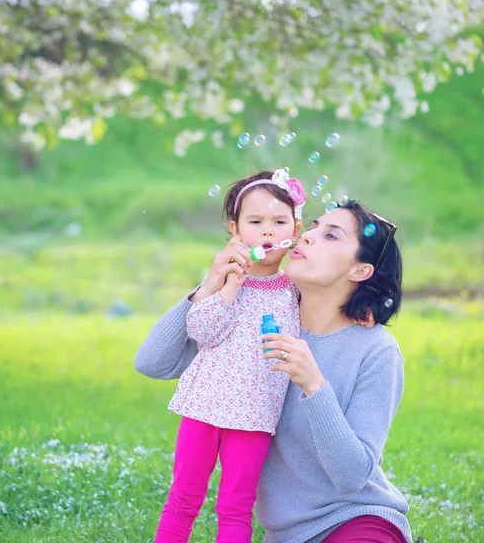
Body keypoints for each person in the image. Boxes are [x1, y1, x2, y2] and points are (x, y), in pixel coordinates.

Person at [135, 196, 414, 543]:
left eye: (331, 236)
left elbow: (351, 477)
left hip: (357, 521)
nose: (309, 237)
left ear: (359, 270)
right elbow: (151, 362)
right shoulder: (255, 318)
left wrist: (314, 383)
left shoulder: (376, 351)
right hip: (285, 536)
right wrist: (209, 288)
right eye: (312, 228)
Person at [153, 168, 309, 542]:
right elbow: (202, 331)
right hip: (203, 408)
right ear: (236, 231)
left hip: (254, 416)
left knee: (237, 506)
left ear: (296, 231)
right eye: (255, 222)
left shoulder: (296, 289)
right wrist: (227, 288)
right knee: (183, 498)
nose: (267, 231)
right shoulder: (226, 277)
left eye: (278, 221)